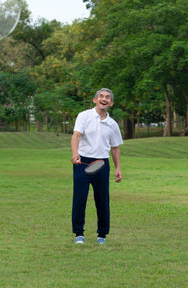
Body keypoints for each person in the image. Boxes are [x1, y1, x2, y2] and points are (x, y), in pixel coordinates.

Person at [70, 88, 123, 245]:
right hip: (82, 162)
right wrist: (74, 153)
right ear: (95, 100)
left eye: (107, 97)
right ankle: (79, 234)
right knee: (79, 199)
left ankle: (102, 235)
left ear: (111, 103)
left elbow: (115, 147)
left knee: (102, 201)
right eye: (101, 96)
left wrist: (117, 168)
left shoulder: (112, 124)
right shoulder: (84, 116)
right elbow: (76, 135)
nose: (104, 99)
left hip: (102, 164)